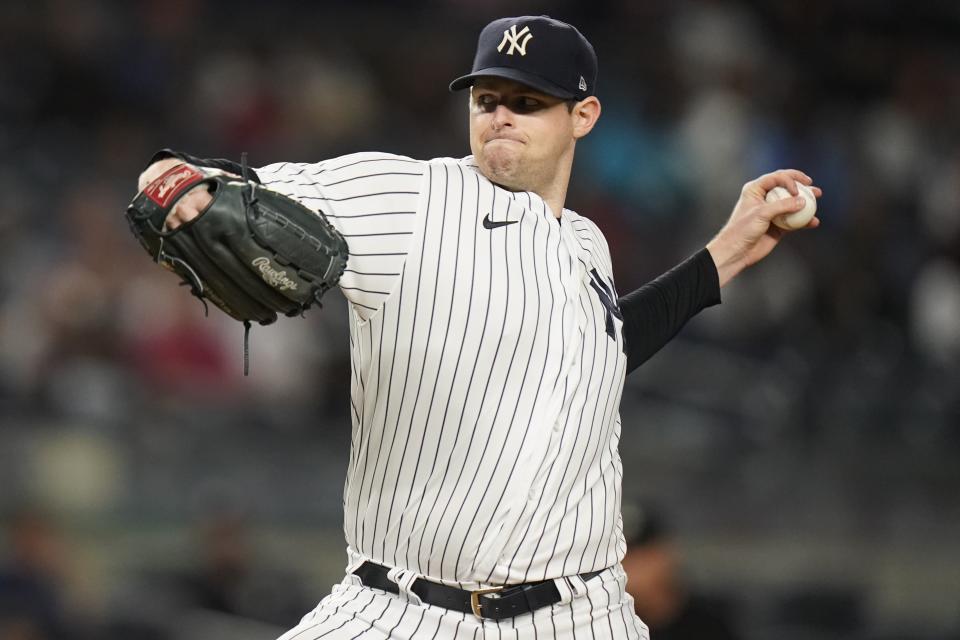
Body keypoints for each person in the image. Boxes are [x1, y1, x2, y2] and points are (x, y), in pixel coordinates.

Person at [134, 15, 820, 639]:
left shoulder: (586, 244)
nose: (500, 117)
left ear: (583, 116)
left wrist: (731, 248)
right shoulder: (413, 199)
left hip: (582, 615)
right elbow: (215, 182)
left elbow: (600, 354)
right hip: (398, 609)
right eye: (486, 99)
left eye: (527, 103)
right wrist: (176, 185)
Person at [622, 506, 741, 640]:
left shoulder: (710, 625)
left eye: (642, 555)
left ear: (667, 552)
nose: (632, 568)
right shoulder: (603, 626)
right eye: (622, 557)